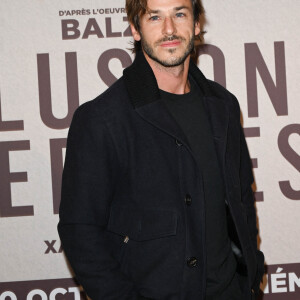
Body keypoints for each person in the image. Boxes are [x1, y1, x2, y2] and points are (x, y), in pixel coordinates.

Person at [58, 0, 265, 299]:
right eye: (155, 17)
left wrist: (251, 273)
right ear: (136, 28)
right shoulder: (102, 119)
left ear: (196, 24)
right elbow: (80, 230)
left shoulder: (223, 106)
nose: (169, 29)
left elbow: (241, 198)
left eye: (179, 14)